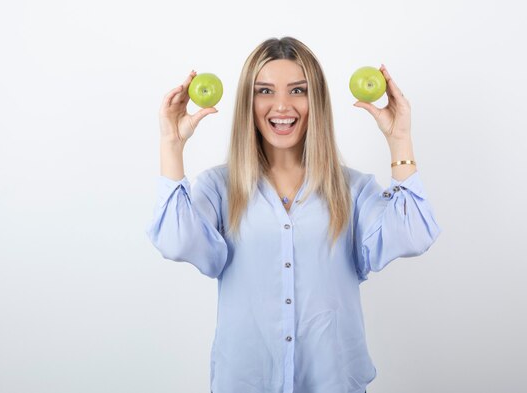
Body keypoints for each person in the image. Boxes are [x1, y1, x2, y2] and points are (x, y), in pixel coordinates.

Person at [147, 36, 441, 393]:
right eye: (265, 91)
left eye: (298, 90)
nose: (282, 105)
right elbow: (176, 241)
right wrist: (171, 146)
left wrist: (400, 139)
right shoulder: (219, 187)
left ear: (315, 100)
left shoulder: (352, 190)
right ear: (248, 102)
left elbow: (414, 234)